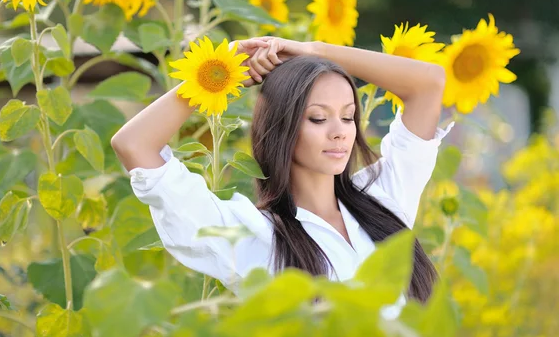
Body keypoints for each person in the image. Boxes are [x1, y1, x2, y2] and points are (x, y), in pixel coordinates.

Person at [111, 36, 455, 319]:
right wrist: (216, 73)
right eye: (318, 119)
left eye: (348, 118)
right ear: (281, 129)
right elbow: (133, 144)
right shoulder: (251, 233)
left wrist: (315, 50)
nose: (339, 133)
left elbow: (429, 84)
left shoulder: (384, 197)